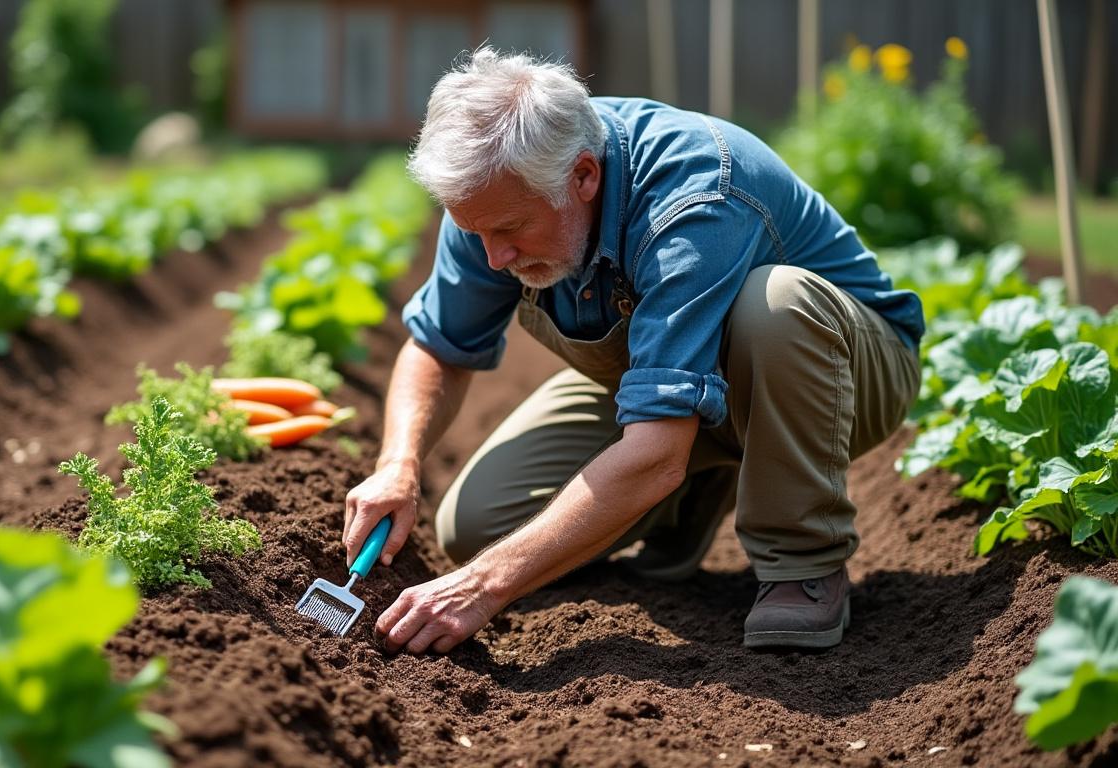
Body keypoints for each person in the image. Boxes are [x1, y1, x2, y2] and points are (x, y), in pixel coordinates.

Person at [341, 47, 923, 654]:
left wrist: (485, 587)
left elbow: (655, 452)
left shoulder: (693, 198)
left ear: (584, 176)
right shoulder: (496, 194)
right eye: (475, 232)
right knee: (478, 527)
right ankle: (688, 501)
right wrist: (398, 465)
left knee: (773, 304)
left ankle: (803, 563)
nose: (494, 258)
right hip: (670, 380)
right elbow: (439, 347)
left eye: (510, 231)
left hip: (845, 376)